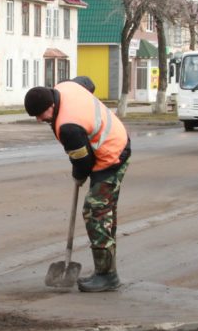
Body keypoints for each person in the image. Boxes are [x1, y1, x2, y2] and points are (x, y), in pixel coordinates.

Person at [24, 81, 131, 292]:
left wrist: (79, 175)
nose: (39, 119)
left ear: (51, 106)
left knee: (96, 211)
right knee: (105, 211)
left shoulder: (68, 127)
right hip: (116, 139)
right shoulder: (66, 86)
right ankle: (108, 268)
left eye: (40, 114)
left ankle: (107, 275)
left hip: (111, 155)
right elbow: (87, 83)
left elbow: (84, 163)